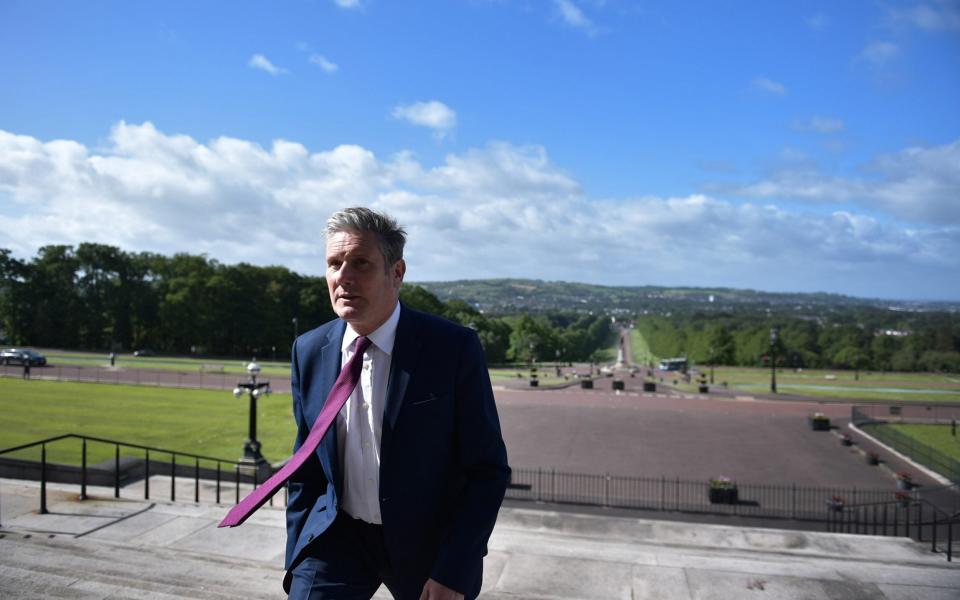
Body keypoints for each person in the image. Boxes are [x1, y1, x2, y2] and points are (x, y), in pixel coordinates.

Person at [284, 207, 510, 599]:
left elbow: (487, 470)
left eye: (361, 263)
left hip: (428, 544)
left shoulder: (452, 348)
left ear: (397, 272)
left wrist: (455, 569)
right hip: (337, 537)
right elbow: (305, 468)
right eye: (334, 264)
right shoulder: (309, 350)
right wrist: (298, 552)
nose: (343, 277)